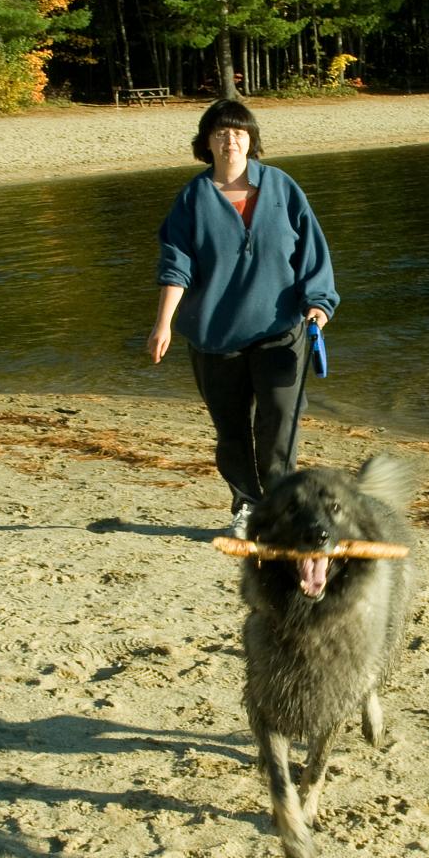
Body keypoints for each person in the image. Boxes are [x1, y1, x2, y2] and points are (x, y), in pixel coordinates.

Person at [147, 100, 338, 535]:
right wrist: (163, 325)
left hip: (282, 331)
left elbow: (312, 251)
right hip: (215, 337)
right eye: (219, 132)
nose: (229, 139)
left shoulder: (282, 187)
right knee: (232, 432)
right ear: (206, 143)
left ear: (251, 141)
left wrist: (319, 302)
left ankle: (282, 509)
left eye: (238, 132)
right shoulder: (193, 199)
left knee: (278, 423)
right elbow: (176, 266)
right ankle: (247, 506)